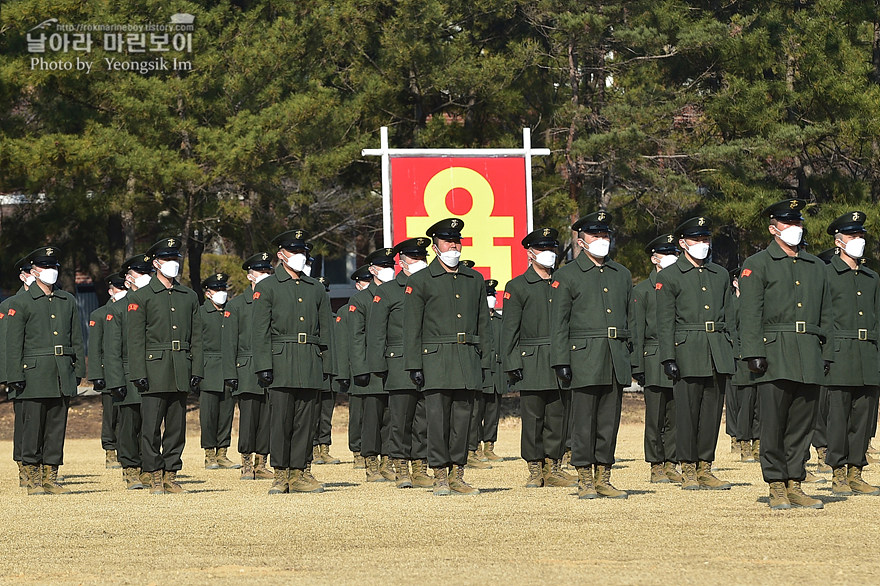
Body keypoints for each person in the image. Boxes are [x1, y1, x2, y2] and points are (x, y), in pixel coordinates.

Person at [739, 199, 831, 510]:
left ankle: (795, 482)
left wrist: (827, 351)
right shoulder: (758, 263)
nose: (795, 229)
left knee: (802, 423)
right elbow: (750, 313)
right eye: (788, 223)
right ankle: (776, 484)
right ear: (773, 228)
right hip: (774, 352)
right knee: (774, 422)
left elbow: (826, 313)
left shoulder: (816, 266)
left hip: (808, 351)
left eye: (798, 223)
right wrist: (753, 352)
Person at [403, 217, 492, 496]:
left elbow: (483, 324)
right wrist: (414, 364)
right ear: (436, 245)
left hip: (466, 358)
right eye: (447, 241)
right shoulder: (420, 280)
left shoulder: (473, 279)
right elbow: (411, 327)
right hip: (435, 359)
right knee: (438, 420)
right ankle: (440, 473)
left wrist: (486, 361)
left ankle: (458, 474)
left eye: (457, 240)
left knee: (463, 420)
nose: (453, 245)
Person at [549, 211, 631, 499]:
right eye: (595, 235)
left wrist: (630, 357)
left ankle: (603, 477)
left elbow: (629, 320)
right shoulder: (567, 275)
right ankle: (584, 477)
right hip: (582, 357)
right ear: (581, 241)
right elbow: (558, 323)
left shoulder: (621, 273)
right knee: (583, 421)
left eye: (605, 234)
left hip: (614, 356)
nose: (601, 240)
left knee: (609, 421)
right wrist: (560, 361)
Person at [656, 217, 735, 490]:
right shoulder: (668, 276)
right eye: (696, 240)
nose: (702, 245)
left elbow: (730, 316)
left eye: (705, 239)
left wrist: (732, 349)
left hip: (716, 350)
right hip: (686, 349)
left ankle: (705, 468)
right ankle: (687, 467)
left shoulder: (720, 274)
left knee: (712, 413)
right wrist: (668, 357)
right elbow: (665, 322)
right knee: (687, 413)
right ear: (682, 243)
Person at [252, 229, 332, 494]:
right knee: (280, 420)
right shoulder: (267, 287)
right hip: (281, 360)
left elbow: (326, 331)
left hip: (309, 359)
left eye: (303, 252)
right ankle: (280, 473)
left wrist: (329, 366)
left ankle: (300, 472)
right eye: (294, 252)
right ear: (281, 255)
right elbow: (260, 330)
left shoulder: (316, 287)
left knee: (306, 421)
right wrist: (263, 366)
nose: (300, 256)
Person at [6, 246, 86, 495]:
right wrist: (14, 376)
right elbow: (12, 344)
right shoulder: (20, 303)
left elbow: (76, 338)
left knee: (56, 426)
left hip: (61, 372)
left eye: (54, 267)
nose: (51, 271)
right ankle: (31, 475)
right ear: (33, 271)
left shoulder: (67, 300)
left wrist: (78, 370)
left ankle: (51, 475)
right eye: (45, 267)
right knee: (32, 426)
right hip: (33, 373)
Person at [126, 238, 203, 494]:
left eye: (175, 259)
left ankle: (171, 473)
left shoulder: (188, 296)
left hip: (180, 366)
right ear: (156, 263)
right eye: (168, 260)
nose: (173, 264)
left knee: (176, 427)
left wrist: (197, 370)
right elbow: (135, 339)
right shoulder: (142, 297)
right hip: (153, 368)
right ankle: (154, 474)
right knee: (150, 428)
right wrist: (138, 372)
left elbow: (197, 337)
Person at [502, 228, 576, 488]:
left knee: (558, 415)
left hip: (560, 358)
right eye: (543, 249)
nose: (549, 254)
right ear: (530, 253)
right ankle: (534, 468)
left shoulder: (563, 282)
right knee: (533, 417)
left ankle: (553, 466)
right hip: (531, 358)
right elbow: (509, 330)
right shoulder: (517, 286)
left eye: (552, 249)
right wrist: (511, 363)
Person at [368, 237, 434, 489]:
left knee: (424, 419)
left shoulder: (430, 287)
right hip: (398, 363)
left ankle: (420, 467)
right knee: (400, 420)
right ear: (402, 262)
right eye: (414, 258)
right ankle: (401, 467)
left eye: (422, 258)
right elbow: (376, 333)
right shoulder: (387, 292)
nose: (420, 262)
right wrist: (378, 367)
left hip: (429, 359)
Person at [823, 212, 880, 496]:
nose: (859, 241)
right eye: (853, 236)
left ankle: (856, 471)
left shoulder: (871, 277)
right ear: (839, 241)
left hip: (867, 353)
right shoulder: (826, 274)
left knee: (864, 417)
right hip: (840, 352)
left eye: (861, 236)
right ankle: (838, 472)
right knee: (839, 417)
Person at [630, 234, 682, 483]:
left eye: (675, 253)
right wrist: (637, 365)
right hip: (653, 357)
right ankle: (656, 465)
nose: (672, 259)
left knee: (676, 416)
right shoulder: (642, 290)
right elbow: (637, 329)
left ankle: (672, 462)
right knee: (655, 416)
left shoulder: (681, 283)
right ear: (654, 259)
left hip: (681, 356)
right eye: (666, 254)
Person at [222, 253, 274, 480]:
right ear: (249, 275)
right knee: (249, 417)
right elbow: (229, 342)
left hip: (272, 365)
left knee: (267, 418)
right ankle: (246, 463)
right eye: (260, 272)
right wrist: (230, 373)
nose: (265, 276)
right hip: (247, 367)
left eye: (267, 272)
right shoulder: (237, 305)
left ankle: (262, 463)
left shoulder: (275, 299)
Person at [104, 254, 153, 490]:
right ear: (128, 279)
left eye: (147, 273)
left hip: (153, 371)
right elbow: (112, 349)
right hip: (126, 373)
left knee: (150, 424)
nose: (144, 278)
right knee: (129, 424)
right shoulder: (120, 308)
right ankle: (131, 468)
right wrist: (115, 380)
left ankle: (148, 466)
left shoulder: (153, 301)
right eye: (139, 274)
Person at [349, 248, 398, 482]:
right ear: (372, 270)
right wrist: (360, 369)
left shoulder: (398, 293)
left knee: (391, 416)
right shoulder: (361, 299)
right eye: (384, 266)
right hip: (370, 367)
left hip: (393, 365)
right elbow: (356, 337)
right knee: (371, 418)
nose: (389, 270)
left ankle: (388, 460)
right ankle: (370, 463)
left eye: (391, 266)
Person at [1, 255, 37, 487]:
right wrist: (8, 377)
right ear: (23, 276)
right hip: (21, 372)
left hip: (42, 372)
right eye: (32, 272)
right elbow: (6, 345)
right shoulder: (10, 305)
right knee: (25, 421)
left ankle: (41, 467)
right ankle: (24, 466)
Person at [198, 273, 240, 470]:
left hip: (229, 367)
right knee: (208, 415)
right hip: (208, 368)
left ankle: (222, 452)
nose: (221, 293)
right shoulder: (200, 313)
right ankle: (209, 454)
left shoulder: (231, 312)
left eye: (224, 289)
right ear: (208, 293)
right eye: (217, 290)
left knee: (226, 413)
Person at [88, 272, 127, 469]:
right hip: (108, 371)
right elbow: (94, 348)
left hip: (127, 370)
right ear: (110, 291)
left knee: (127, 414)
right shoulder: (100, 314)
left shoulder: (131, 310)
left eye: (124, 287)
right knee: (111, 415)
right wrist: (96, 375)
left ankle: (126, 449)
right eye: (119, 288)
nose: (123, 291)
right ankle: (110, 450)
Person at [467, 279, 507, 469]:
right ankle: (474, 447)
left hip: (496, 371)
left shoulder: (501, 321)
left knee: (493, 411)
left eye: (493, 295)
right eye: (487, 296)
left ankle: (489, 445)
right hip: (481, 370)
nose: (491, 299)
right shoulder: (475, 319)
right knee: (476, 411)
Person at [728, 267, 760, 464]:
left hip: (757, 357)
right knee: (744, 403)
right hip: (740, 358)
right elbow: (731, 329)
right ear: (735, 282)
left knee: (759, 404)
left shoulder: (755, 300)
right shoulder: (733, 303)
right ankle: (743, 442)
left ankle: (758, 442)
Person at [312, 276, 341, 466]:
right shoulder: (311, 319)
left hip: (331, 373)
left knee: (326, 414)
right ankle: (313, 448)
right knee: (312, 414)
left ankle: (325, 448)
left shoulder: (334, 318)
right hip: (314, 371)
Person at [345, 265, 372, 469]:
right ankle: (357, 450)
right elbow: (345, 344)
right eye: (365, 281)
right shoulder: (347, 311)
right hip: (356, 367)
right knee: (357, 415)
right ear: (357, 284)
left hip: (377, 366)